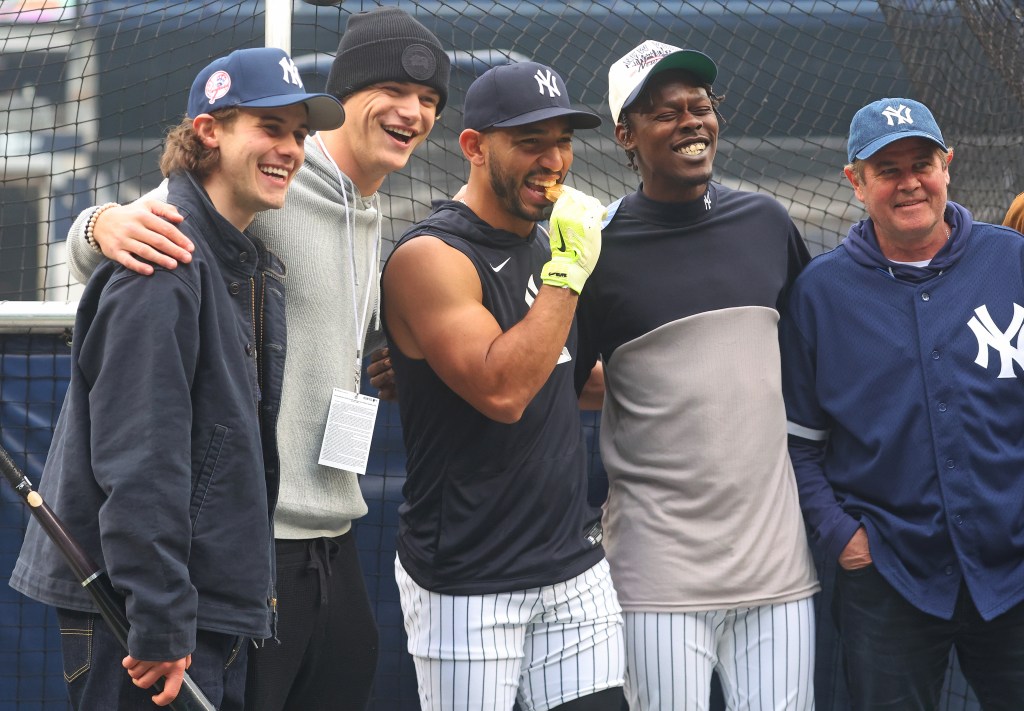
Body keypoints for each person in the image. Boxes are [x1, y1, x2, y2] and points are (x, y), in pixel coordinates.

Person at [58, 8, 450, 709]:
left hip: (331, 535)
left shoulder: (371, 207)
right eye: (393, 90)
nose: (412, 112)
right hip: (251, 543)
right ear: (350, 96)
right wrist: (99, 221)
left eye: (429, 100)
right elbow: (137, 240)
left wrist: (385, 355)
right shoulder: (259, 183)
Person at [10, 47, 343, 709]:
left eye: (300, 134)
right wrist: (159, 616)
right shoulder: (164, 261)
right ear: (209, 131)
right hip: (144, 616)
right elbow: (142, 458)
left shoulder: (239, 260)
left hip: (198, 607)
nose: (290, 149)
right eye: (270, 128)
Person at [573, 40, 819, 710]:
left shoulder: (767, 222)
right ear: (625, 134)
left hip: (778, 575)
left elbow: (804, 358)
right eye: (666, 112)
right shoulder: (598, 247)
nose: (691, 121)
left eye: (701, 106)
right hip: (656, 578)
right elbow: (555, 382)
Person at [380, 61, 625, 711]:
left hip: (572, 564)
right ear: (474, 147)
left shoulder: (550, 244)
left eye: (563, 141)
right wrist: (570, 270)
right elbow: (505, 391)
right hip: (467, 580)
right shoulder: (430, 257)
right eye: (530, 142)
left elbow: (571, 378)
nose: (553, 161)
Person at [780, 97, 1024, 710]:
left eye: (923, 163)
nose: (910, 182)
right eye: (887, 170)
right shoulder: (820, 294)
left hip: (1013, 569)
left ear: (948, 166)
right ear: (856, 183)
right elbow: (798, 444)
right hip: (891, 576)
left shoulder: (1011, 261)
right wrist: (843, 538)